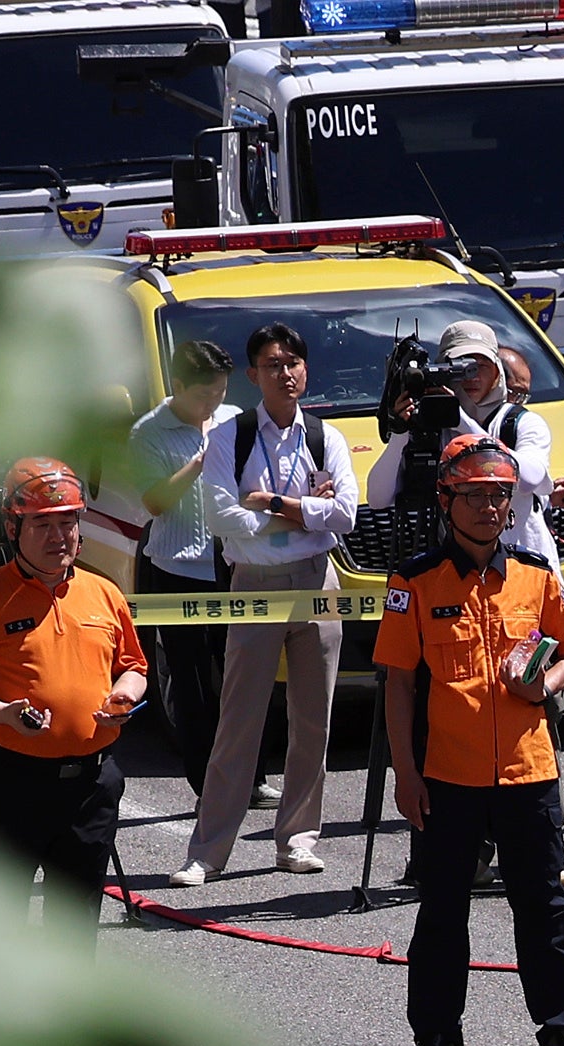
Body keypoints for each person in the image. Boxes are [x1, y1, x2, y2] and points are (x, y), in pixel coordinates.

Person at [376, 437, 564, 1046]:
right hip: (448, 776)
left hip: (529, 771)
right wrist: (406, 775)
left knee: (544, 904)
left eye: (500, 495)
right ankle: (437, 1037)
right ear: (447, 501)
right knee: (442, 913)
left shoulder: (533, 573)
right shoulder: (413, 581)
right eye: (474, 495)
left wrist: (545, 685)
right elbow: (400, 685)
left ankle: (562, 1026)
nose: (489, 508)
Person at [169, 320, 355, 886]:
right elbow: (222, 512)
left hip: (317, 580)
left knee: (313, 718)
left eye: (293, 362)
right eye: (273, 365)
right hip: (254, 581)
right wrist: (302, 509)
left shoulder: (327, 436)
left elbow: (345, 514)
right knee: (239, 719)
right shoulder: (233, 436)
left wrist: (274, 503)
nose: (286, 373)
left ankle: (297, 838)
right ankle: (206, 852)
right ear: (254, 376)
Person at [0, 458, 147, 927]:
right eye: (42, 524)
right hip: (14, 786)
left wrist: (124, 697)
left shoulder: (104, 593)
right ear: (13, 527)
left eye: (67, 522)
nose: (58, 537)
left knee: (75, 924)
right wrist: (2, 712)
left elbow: (133, 667)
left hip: (92, 786)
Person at [114, 337, 234, 770]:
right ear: (178, 385)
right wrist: (199, 463)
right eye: (204, 395)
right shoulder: (148, 432)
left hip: (230, 566)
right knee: (192, 681)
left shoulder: (232, 420)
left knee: (238, 677)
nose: (213, 403)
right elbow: (153, 502)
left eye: (220, 392)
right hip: (177, 568)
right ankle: (204, 777)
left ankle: (249, 774)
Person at [365, 321, 557, 568]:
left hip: (525, 570)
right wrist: (402, 432)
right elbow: (377, 498)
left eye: (482, 366)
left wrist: (461, 422)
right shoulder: (432, 427)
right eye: (461, 366)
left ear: (497, 371)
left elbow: (529, 478)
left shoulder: (521, 422)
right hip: (458, 574)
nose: (472, 376)